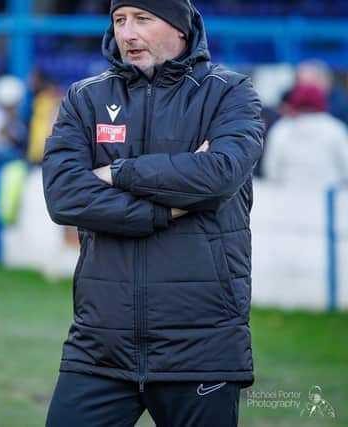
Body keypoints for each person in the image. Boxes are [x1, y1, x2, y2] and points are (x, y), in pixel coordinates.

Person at [42, 1, 263, 426]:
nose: (128, 33)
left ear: (181, 29)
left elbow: (218, 175)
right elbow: (63, 196)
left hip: (202, 346)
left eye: (143, 19)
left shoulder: (229, 93)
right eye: (120, 20)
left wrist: (115, 172)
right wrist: (168, 208)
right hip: (100, 345)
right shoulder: (86, 98)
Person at [262, 84, 348, 189]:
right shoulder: (335, 129)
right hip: (328, 200)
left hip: (288, 197)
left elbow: (271, 170)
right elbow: (346, 167)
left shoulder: (282, 129)